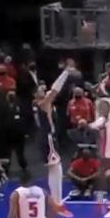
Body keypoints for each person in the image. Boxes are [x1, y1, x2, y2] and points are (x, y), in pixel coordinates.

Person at [34, 65, 74, 208]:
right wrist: (66, 72)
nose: (44, 90)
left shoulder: (44, 104)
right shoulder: (43, 103)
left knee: (55, 168)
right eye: (41, 89)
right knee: (56, 168)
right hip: (47, 137)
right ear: (36, 95)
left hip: (48, 136)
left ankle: (57, 201)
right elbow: (55, 90)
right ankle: (56, 202)